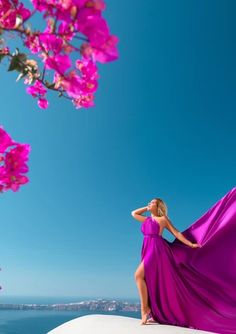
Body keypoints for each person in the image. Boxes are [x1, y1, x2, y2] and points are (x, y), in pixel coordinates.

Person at [131, 187, 236, 333]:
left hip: (157, 249)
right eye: (150, 202)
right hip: (147, 247)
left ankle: (145, 308)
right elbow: (134, 213)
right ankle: (150, 308)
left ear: (158, 206)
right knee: (148, 278)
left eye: (153, 202)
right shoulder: (147, 219)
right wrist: (146, 207)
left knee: (138, 275)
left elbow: (177, 233)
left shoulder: (163, 219)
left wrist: (190, 244)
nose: (150, 203)